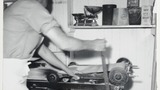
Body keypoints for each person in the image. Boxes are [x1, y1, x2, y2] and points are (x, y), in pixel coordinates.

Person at [3, 0, 107, 90]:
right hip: (8, 73)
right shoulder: (30, 5)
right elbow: (64, 42)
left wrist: (65, 69)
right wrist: (92, 44)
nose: (48, 6)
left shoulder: (20, 6)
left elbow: (41, 49)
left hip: (10, 72)